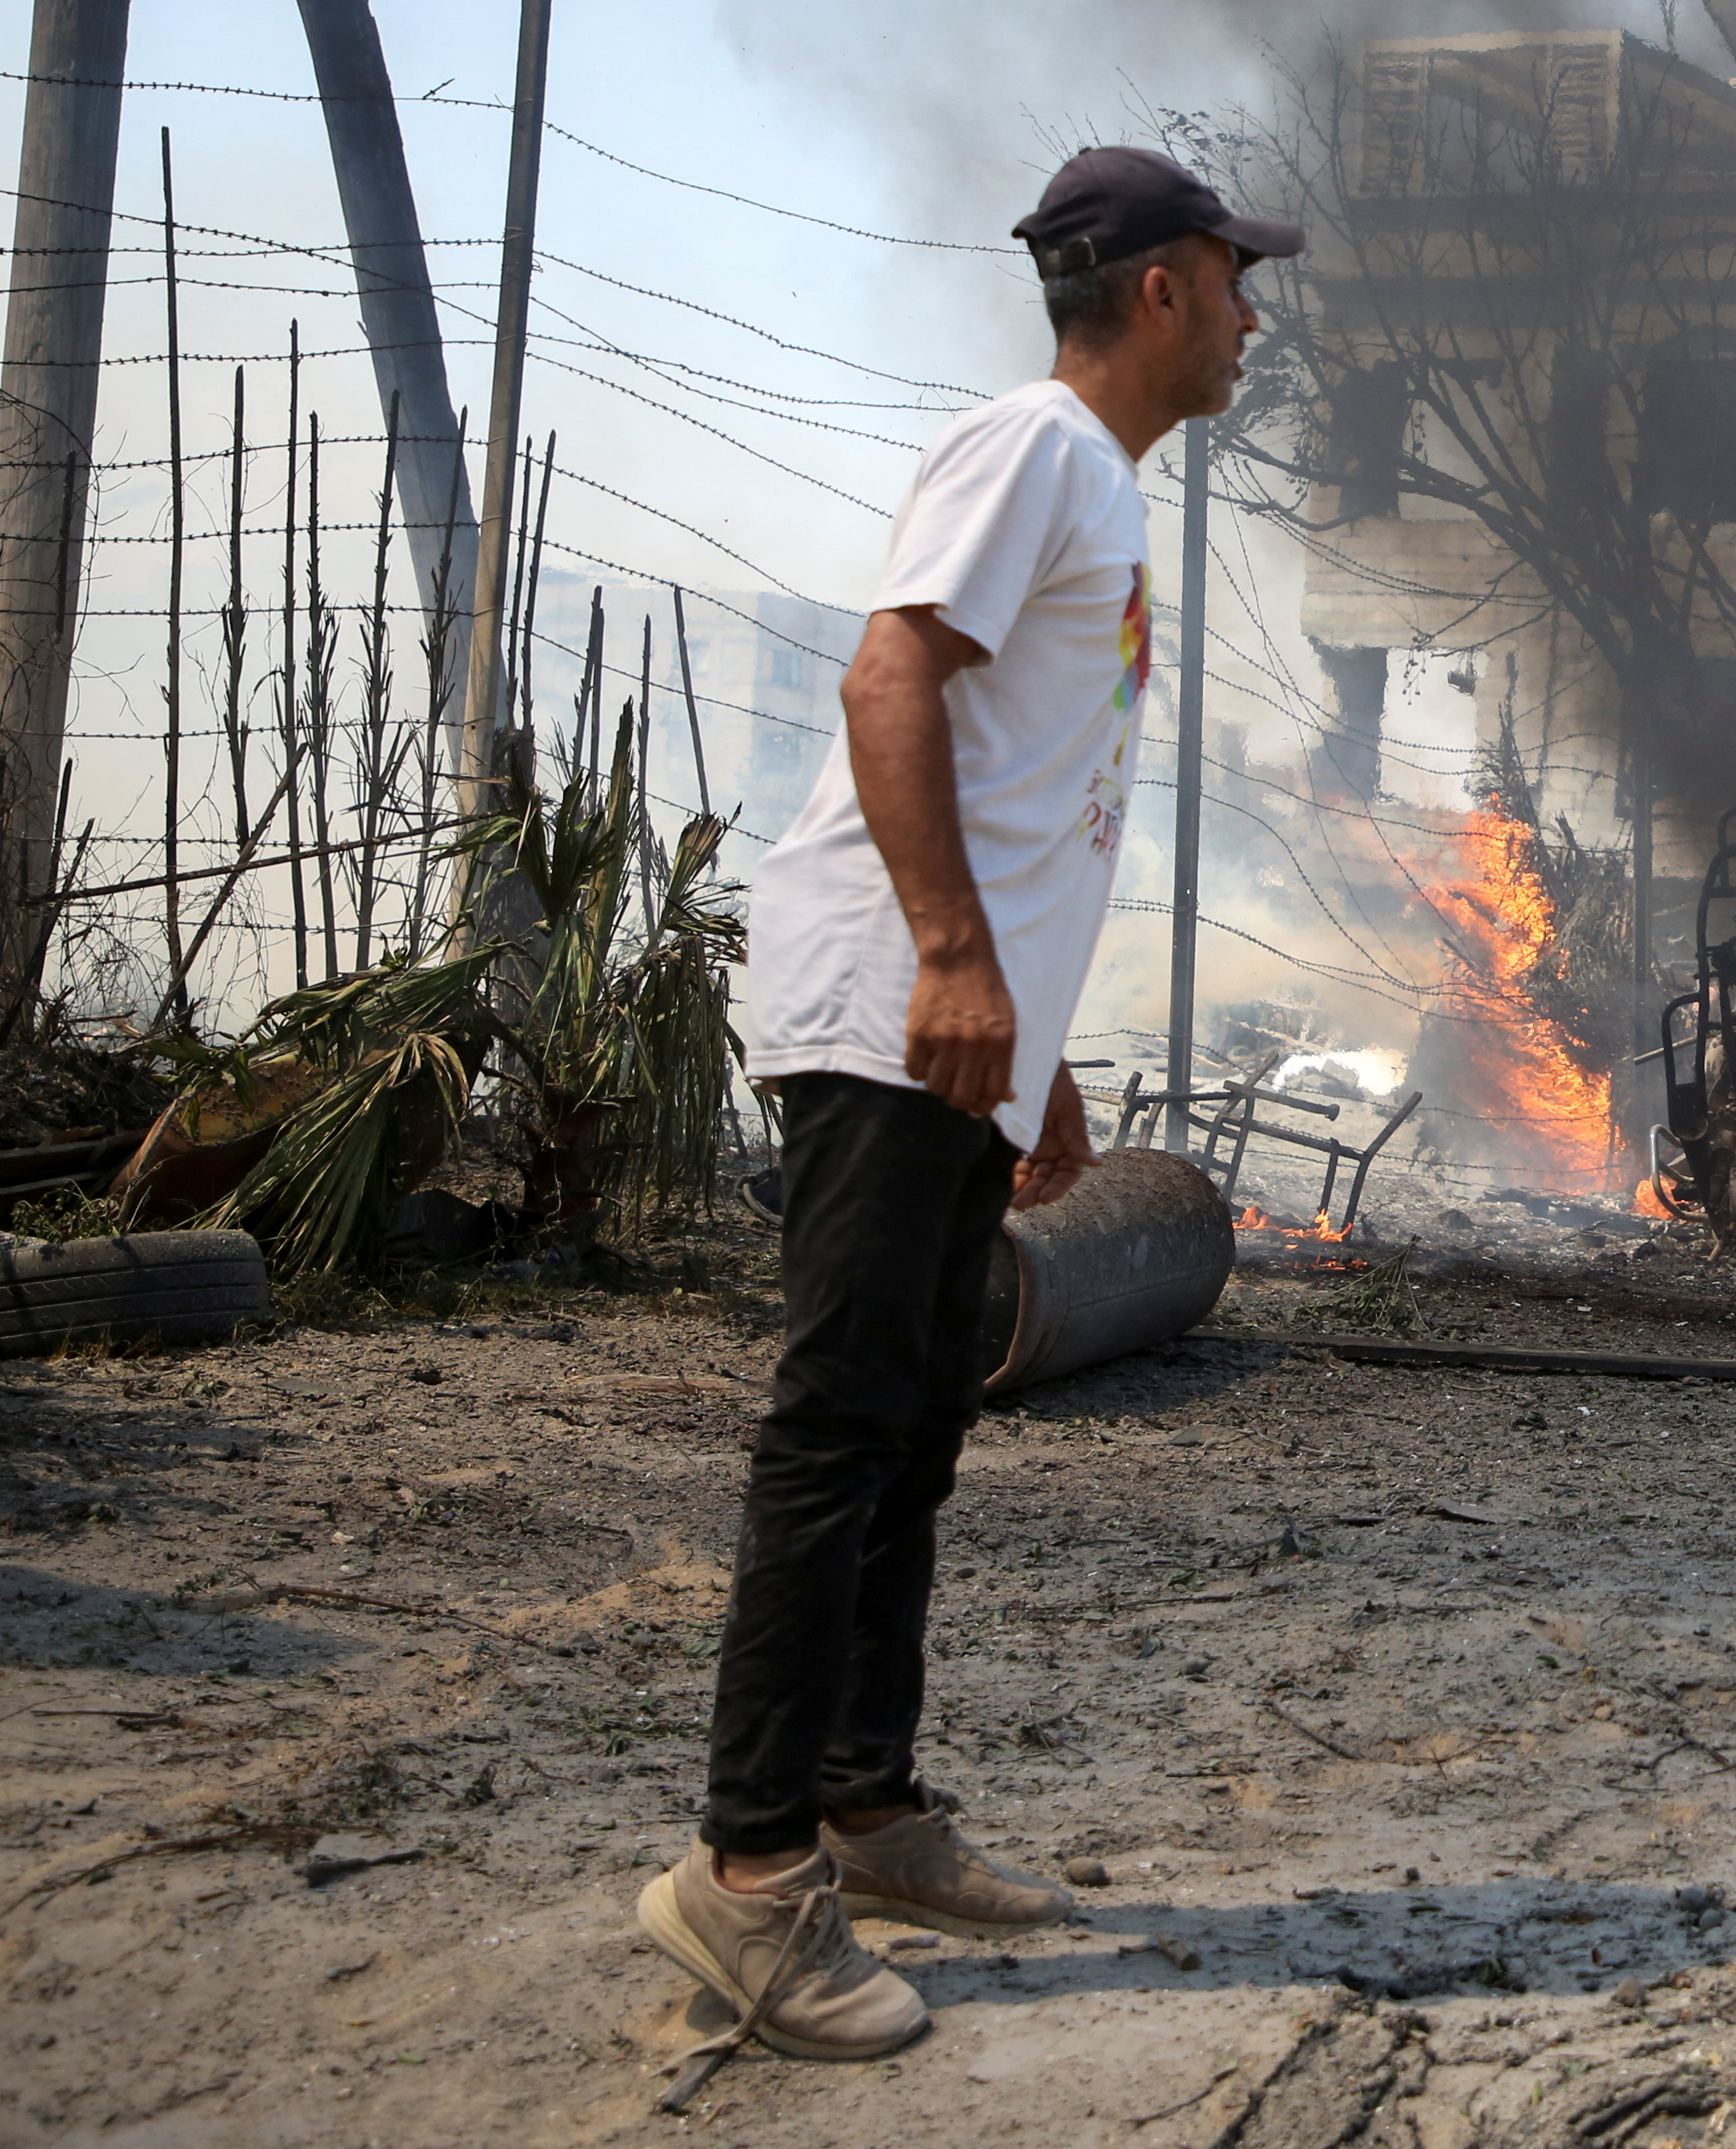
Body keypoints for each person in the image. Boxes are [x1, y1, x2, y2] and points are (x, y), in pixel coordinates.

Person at [634, 146, 1299, 2062]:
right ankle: (747, 1878)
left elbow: (1021, 783)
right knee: (840, 1423)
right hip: (876, 1007)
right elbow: (888, 678)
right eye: (1234, 277)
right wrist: (945, 955)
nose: (1253, 313)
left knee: (918, 1412)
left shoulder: (1094, 487)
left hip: (948, 1019)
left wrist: (1038, 1030)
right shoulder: (1039, 446)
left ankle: (864, 1802)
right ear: (1159, 288)